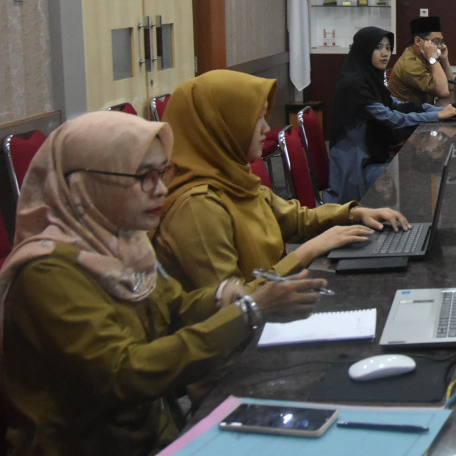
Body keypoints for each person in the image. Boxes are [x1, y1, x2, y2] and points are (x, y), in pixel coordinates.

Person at [0, 111, 326, 455]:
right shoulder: (48, 273)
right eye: (144, 177)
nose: (161, 189)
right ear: (85, 184)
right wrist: (248, 311)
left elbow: (170, 308)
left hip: (150, 434)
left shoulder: (125, 241)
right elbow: (125, 374)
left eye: (163, 172)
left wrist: (220, 299)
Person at [150, 70, 409, 291]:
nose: (265, 128)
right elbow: (232, 306)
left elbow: (294, 219)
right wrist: (306, 252)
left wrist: (354, 213)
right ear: (221, 126)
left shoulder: (235, 178)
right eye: (255, 119)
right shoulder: (198, 206)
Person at [324, 26, 456, 203]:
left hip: (372, 150)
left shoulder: (371, 77)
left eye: (388, 48)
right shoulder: (354, 84)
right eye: (378, 47)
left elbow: (398, 104)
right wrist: (437, 115)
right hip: (355, 162)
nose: (385, 53)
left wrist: (440, 110)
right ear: (364, 49)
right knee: (409, 179)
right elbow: (392, 118)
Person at [388, 16, 456, 106]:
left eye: (441, 41)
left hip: (422, 110)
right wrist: (433, 57)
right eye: (436, 41)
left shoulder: (423, 57)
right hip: (408, 115)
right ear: (418, 41)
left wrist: (444, 59)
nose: (440, 46)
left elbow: (449, 86)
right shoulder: (410, 65)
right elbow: (443, 91)